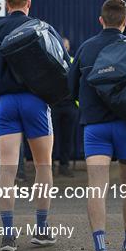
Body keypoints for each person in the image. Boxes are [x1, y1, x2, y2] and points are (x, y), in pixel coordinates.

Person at [0, 0, 70, 251]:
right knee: (43, 167)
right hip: (36, 102)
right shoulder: (43, 27)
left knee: (7, 169)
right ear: (28, 4)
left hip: (5, 103)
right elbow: (62, 62)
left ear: (6, 4)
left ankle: (8, 236)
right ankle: (41, 231)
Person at [68, 0, 126, 251]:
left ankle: (100, 247)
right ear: (125, 22)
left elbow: (70, 89)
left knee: (96, 186)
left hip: (95, 128)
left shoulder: (86, 48)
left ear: (100, 20)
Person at [51, 37, 78, 177]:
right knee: (50, 138)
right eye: (61, 46)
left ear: (68, 48)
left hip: (70, 105)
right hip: (53, 106)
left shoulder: (73, 62)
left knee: (68, 137)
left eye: (66, 46)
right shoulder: (49, 61)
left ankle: (64, 165)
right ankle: (50, 165)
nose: (64, 48)